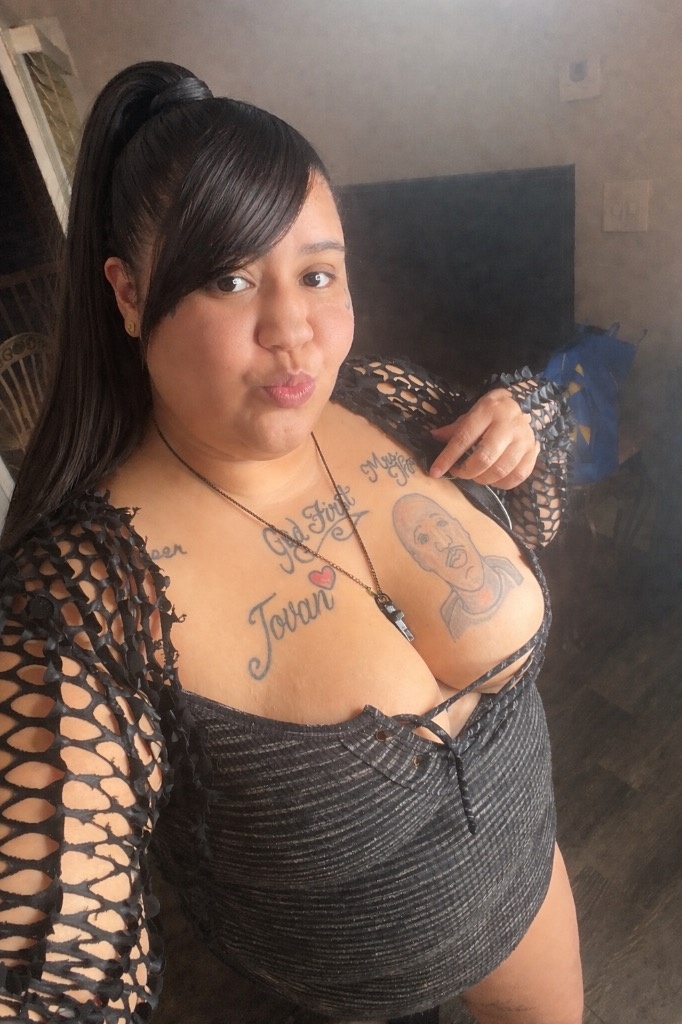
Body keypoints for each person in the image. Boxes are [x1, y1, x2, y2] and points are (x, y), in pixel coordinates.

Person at [0, 61, 581, 1024]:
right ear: (130, 295)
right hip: (340, 994)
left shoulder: (383, 402)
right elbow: (52, 966)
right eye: (230, 279)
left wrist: (526, 427)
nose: (294, 331)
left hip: (532, 884)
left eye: (317, 274)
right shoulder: (84, 604)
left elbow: (533, 505)